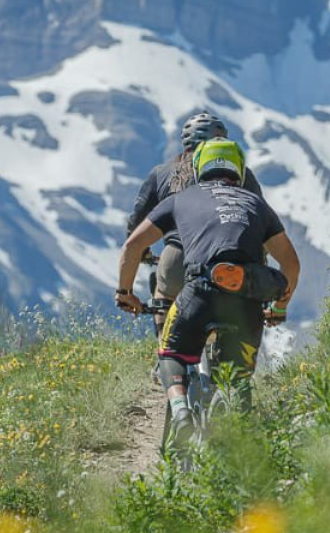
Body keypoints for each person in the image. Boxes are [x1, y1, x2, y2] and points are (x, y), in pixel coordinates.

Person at [115, 138, 299, 434]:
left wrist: (125, 294)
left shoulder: (180, 199)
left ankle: (180, 411)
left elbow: (133, 245)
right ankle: (237, 439)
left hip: (198, 294)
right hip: (247, 303)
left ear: (198, 168)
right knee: (237, 380)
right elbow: (291, 265)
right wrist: (279, 308)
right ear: (239, 170)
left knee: (171, 356)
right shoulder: (256, 204)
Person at [125, 112, 263, 308]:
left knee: (163, 294)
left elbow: (137, 222)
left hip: (177, 258)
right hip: (230, 260)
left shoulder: (161, 172)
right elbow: (259, 221)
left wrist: (143, 253)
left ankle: (164, 328)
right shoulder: (240, 172)